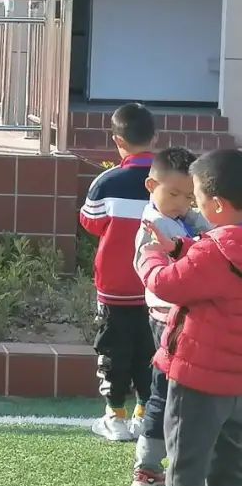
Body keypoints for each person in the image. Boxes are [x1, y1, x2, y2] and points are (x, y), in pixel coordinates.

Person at [137, 149, 242, 486]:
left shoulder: (214, 252)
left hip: (199, 381)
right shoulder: (220, 252)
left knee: (186, 464)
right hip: (236, 382)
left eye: (196, 199)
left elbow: (167, 284)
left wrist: (150, 257)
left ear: (217, 205)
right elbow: (216, 273)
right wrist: (179, 248)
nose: (192, 206)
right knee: (231, 466)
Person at [131, 147, 209, 486]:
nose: (182, 203)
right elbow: (191, 255)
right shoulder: (157, 224)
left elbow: (205, 229)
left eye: (189, 196)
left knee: (173, 395)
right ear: (152, 186)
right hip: (168, 321)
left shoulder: (175, 216)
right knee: (164, 395)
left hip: (177, 318)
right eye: (174, 194)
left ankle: (157, 466)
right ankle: (147, 466)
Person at [79, 102, 158, 441]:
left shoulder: (107, 182)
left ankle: (115, 416)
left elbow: (90, 223)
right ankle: (144, 414)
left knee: (112, 350)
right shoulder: (169, 181)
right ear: (155, 137)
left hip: (114, 287)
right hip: (157, 287)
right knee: (150, 351)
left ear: (117, 141)